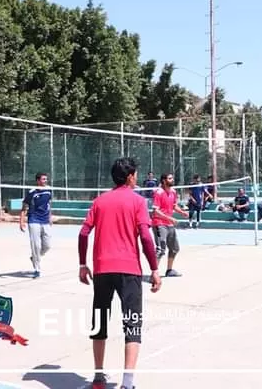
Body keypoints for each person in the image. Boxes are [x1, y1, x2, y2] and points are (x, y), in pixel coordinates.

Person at [78, 157, 161, 389]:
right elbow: (145, 237)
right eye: (135, 174)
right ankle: (127, 382)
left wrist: (82, 264)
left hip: (103, 269)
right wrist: (155, 269)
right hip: (129, 270)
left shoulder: (100, 201)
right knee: (132, 325)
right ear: (130, 177)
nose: (136, 178)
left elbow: (84, 234)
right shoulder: (137, 202)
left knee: (100, 323)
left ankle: (98, 376)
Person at [152, 173, 189, 277]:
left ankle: (169, 270)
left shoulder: (173, 192)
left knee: (174, 248)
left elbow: (174, 205)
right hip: (159, 224)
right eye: (169, 178)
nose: (172, 180)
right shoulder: (158, 193)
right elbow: (155, 211)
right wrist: (170, 218)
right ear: (164, 180)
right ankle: (154, 274)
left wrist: (182, 212)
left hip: (169, 224)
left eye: (172, 178)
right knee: (160, 250)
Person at [19, 172, 52, 278]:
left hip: (45, 220)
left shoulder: (49, 190)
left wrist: (50, 217)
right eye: (43, 179)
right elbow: (24, 207)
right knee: (36, 246)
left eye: (46, 179)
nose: (45, 181)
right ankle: (37, 269)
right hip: (34, 220)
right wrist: (21, 221)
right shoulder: (31, 192)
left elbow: (49, 204)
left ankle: (35, 257)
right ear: (38, 181)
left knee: (47, 246)